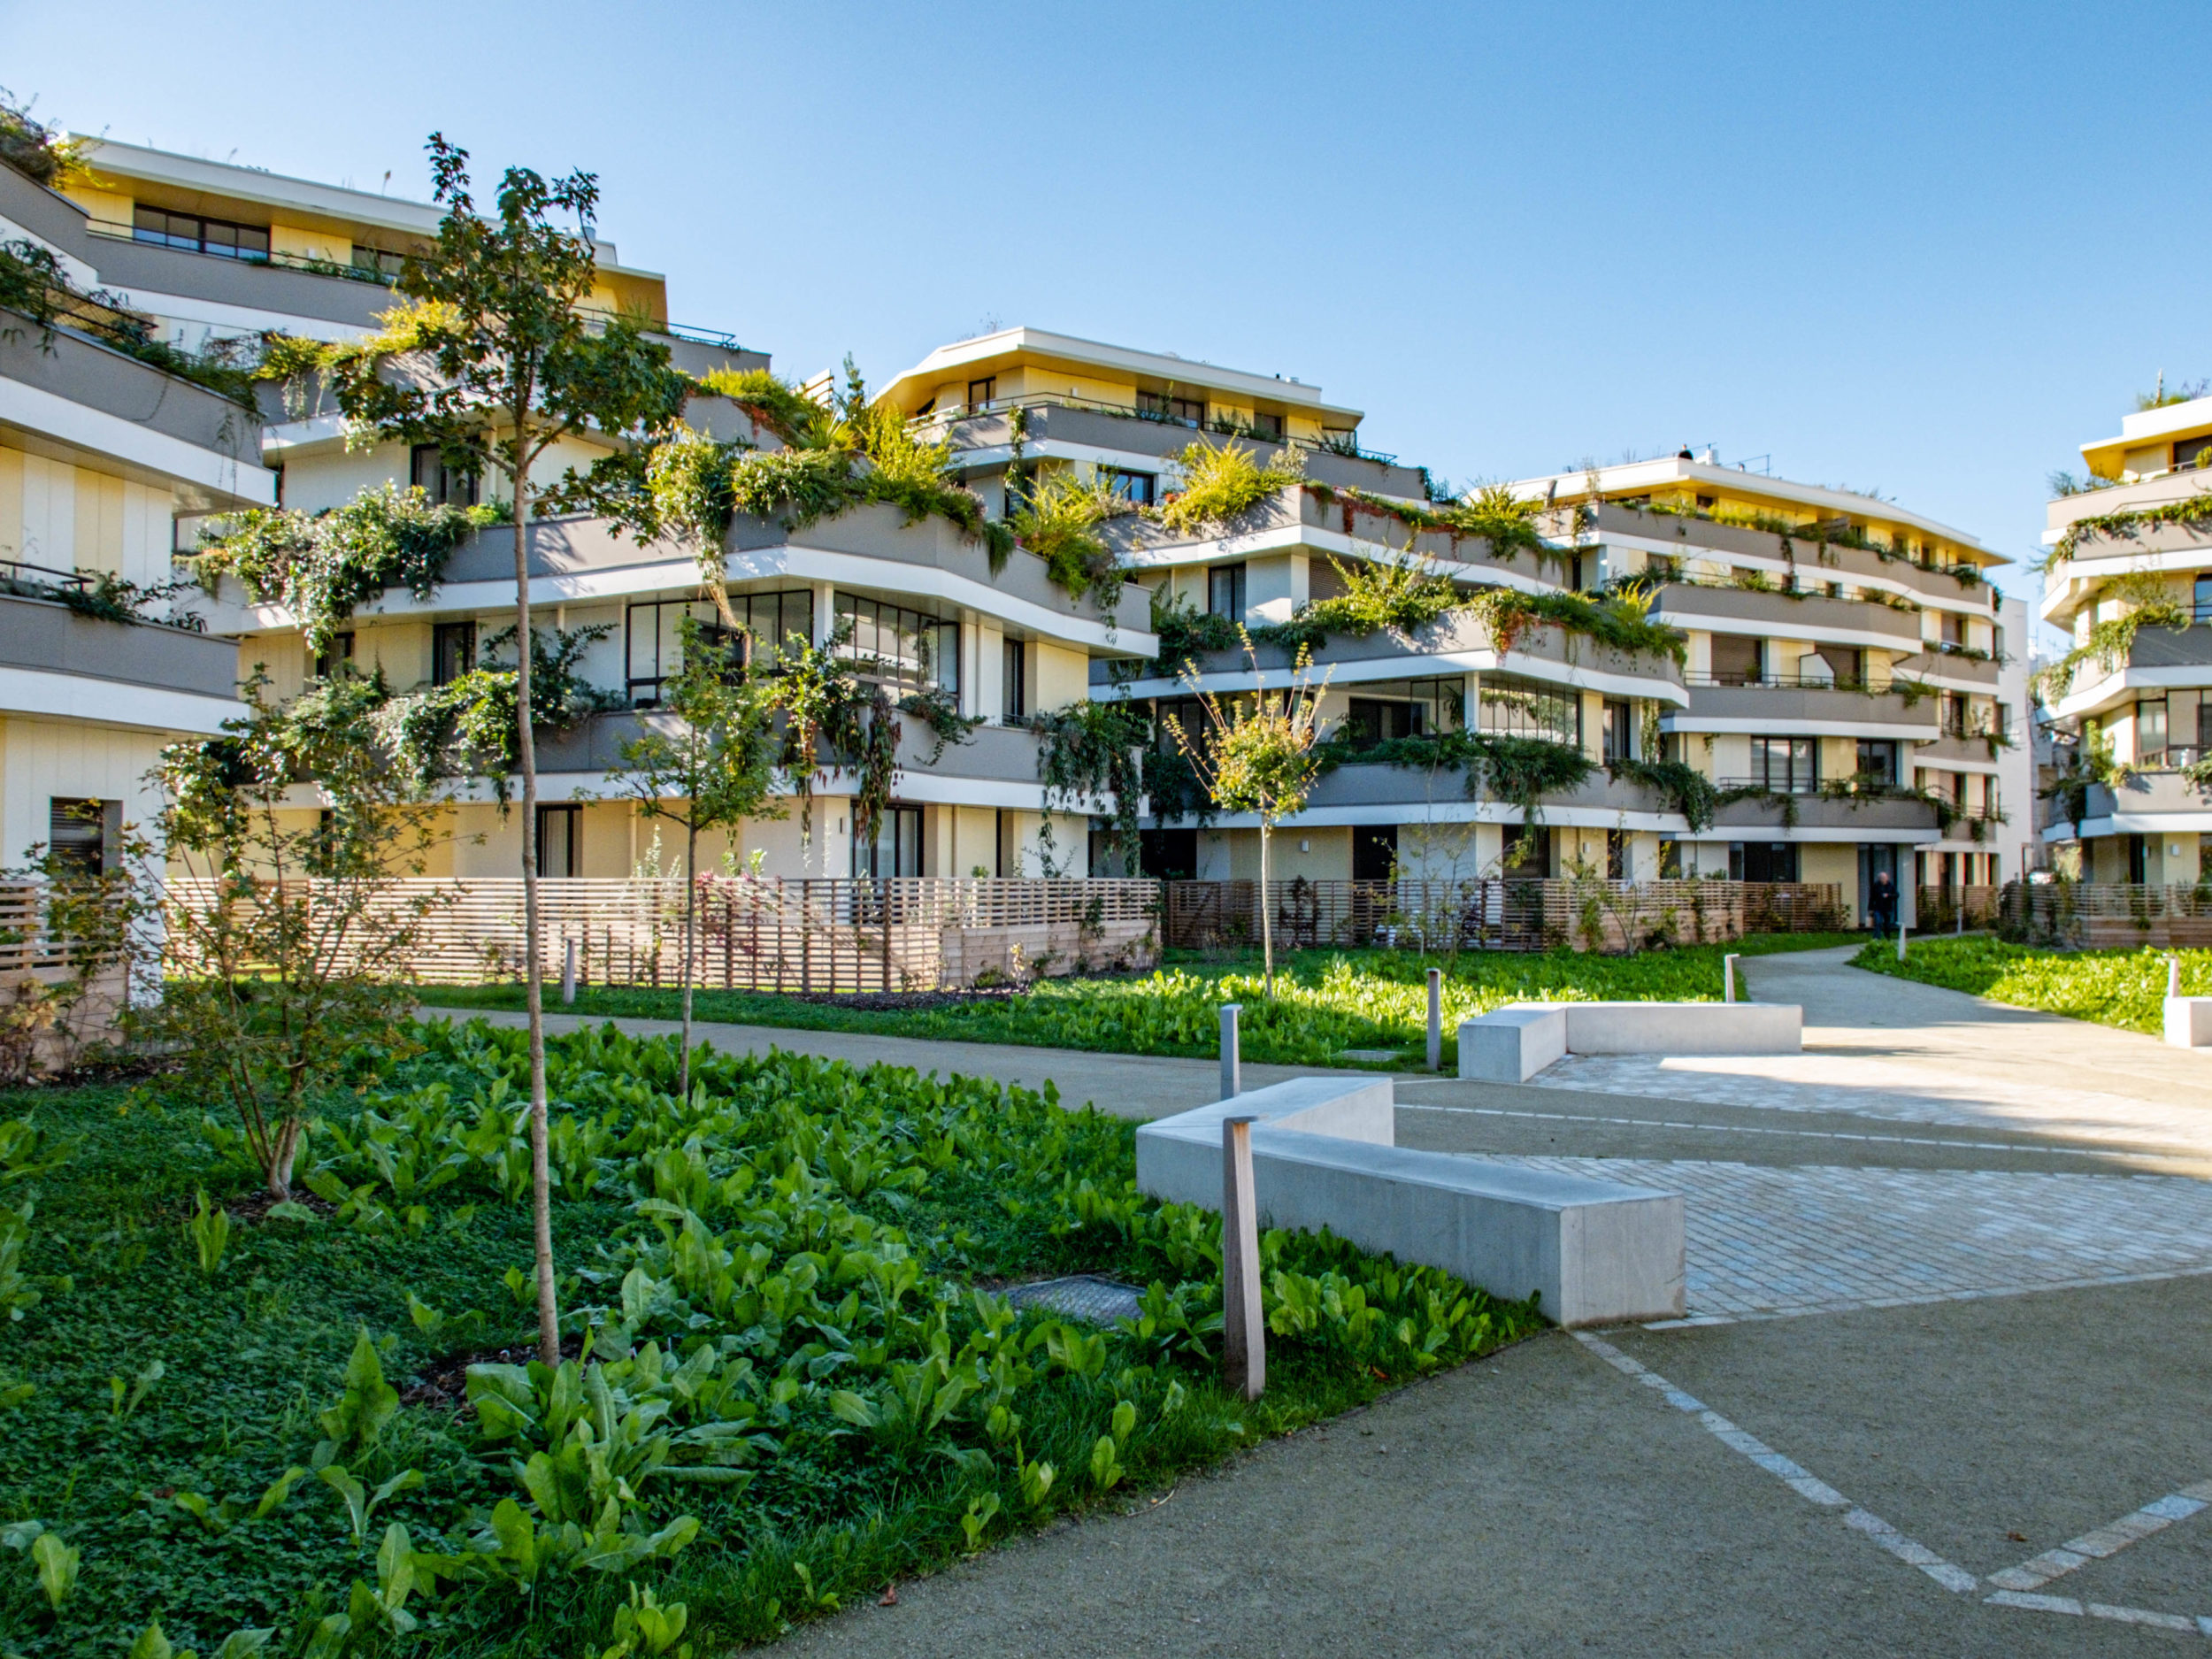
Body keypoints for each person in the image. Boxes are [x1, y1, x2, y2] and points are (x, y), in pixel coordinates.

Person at [1868, 869, 1898, 939]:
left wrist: (1888, 895)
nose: (1883, 879)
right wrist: (1870, 908)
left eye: (1884, 878)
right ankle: (1876, 938)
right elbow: (1872, 897)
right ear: (1879, 879)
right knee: (1878, 922)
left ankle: (1887, 938)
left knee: (1887, 924)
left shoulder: (1891, 886)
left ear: (1887, 878)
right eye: (1881, 878)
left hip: (1888, 908)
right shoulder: (1876, 886)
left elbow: (1896, 895)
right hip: (1878, 907)